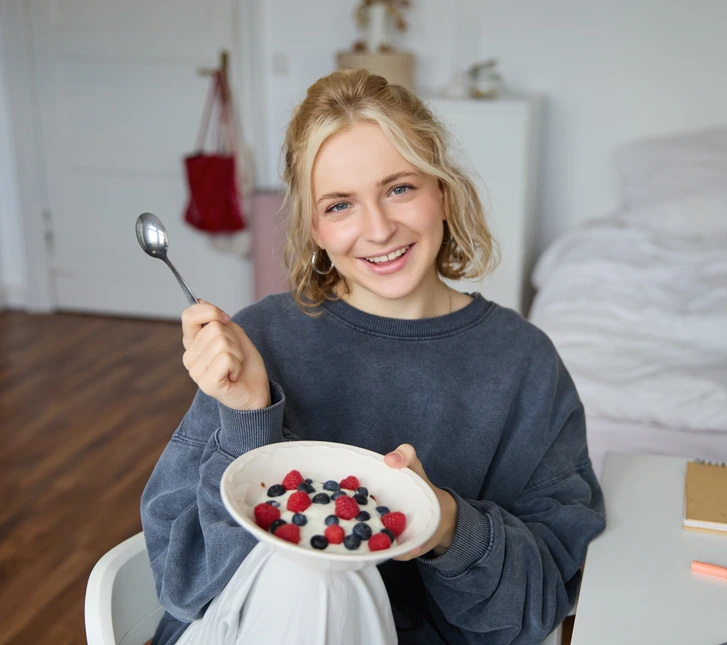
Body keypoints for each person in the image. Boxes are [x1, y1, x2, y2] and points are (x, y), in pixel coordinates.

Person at [141, 68, 606, 645]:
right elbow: (184, 583)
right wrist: (248, 420)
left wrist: (444, 522)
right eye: (340, 205)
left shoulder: (522, 363)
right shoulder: (259, 340)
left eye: (399, 188)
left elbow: (537, 605)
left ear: (443, 192)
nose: (379, 229)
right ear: (314, 228)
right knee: (311, 571)